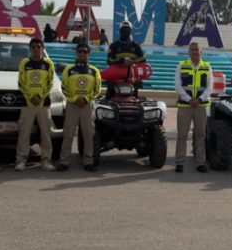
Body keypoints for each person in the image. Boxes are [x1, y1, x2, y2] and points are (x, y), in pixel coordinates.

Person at [58, 44, 102, 172]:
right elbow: (64, 87)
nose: (82, 54)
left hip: (87, 106)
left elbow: (97, 89)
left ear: (89, 54)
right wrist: (75, 99)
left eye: (85, 51)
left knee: (88, 134)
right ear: (76, 53)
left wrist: (86, 99)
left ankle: (88, 162)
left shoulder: (94, 71)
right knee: (68, 134)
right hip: (72, 105)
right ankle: (64, 162)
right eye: (80, 51)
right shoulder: (69, 70)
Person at [15, 37, 56, 172]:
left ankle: (46, 161)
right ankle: (21, 161)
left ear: (42, 48)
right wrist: (30, 97)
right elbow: (21, 83)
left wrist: (40, 96)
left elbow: (50, 83)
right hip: (28, 104)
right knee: (24, 133)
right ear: (30, 48)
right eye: (33, 47)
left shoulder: (48, 63)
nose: (36, 49)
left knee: (46, 134)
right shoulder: (25, 63)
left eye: (39, 46)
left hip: (44, 104)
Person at [174, 42, 212, 174]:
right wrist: (189, 99)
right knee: (182, 135)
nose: (195, 51)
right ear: (189, 52)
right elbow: (178, 86)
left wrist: (200, 99)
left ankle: (200, 163)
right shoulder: (181, 65)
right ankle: (180, 162)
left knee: (201, 135)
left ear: (201, 52)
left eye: (197, 49)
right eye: (192, 49)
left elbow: (209, 87)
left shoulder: (207, 67)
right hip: (185, 106)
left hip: (201, 106)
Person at [107, 20, 146, 97]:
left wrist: (131, 62)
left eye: (127, 29)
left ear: (131, 31)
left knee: (135, 101)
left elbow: (143, 59)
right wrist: (122, 61)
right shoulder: (113, 46)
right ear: (120, 31)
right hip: (116, 77)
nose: (125, 31)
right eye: (123, 29)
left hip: (131, 78)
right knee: (108, 99)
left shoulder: (136, 46)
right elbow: (109, 61)